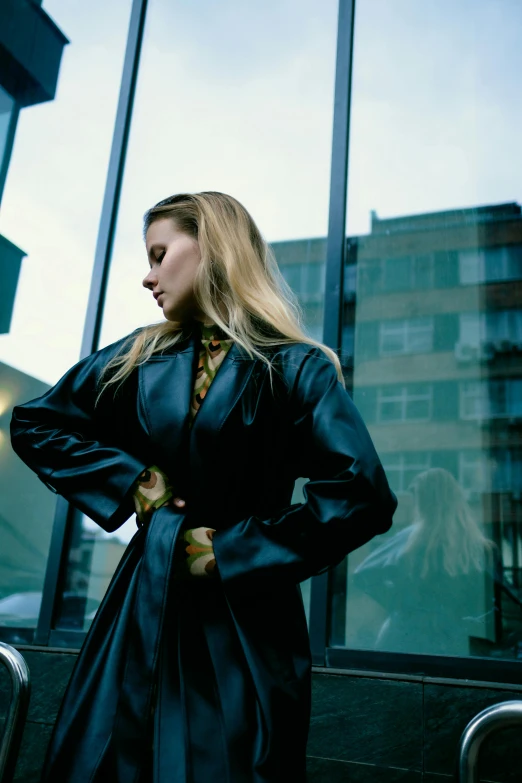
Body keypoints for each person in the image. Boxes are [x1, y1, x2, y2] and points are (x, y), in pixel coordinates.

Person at [10, 191, 397, 783]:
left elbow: (360, 493)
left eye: (160, 253)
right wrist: (136, 483)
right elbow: (37, 423)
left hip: (246, 619)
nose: (147, 275)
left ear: (210, 247)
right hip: (143, 601)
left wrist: (232, 552)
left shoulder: (295, 366)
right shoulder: (140, 355)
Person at [353, 467, 497, 656]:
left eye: (418, 497)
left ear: (424, 501)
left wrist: (399, 603)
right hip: (451, 640)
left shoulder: (410, 540)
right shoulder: (477, 546)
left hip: (404, 636)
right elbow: (484, 602)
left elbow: (363, 575)